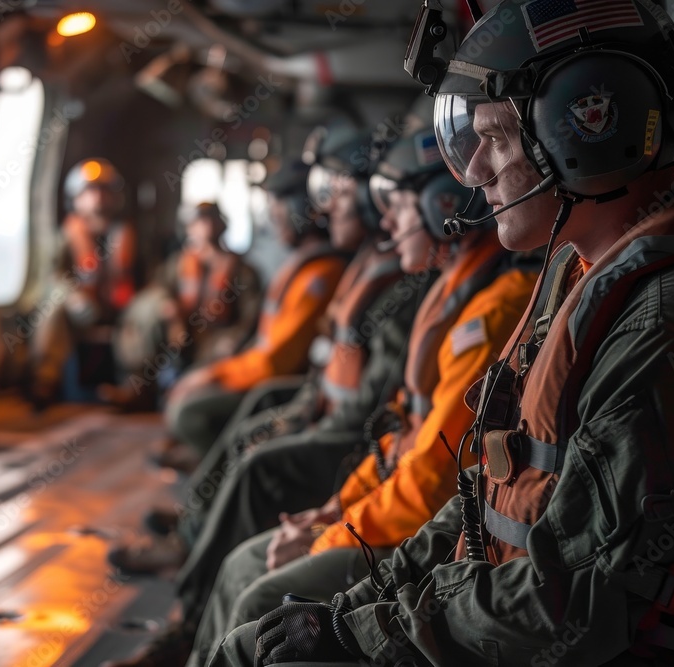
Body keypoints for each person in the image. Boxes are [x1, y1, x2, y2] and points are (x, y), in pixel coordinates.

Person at [212, 1, 674, 665]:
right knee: (260, 639)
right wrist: (355, 606)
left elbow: (565, 597)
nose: (477, 171)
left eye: (498, 139)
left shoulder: (670, 321)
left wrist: (362, 632)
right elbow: (485, 493)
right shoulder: (576, 276)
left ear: (586, 128)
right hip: (509, 617)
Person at [188, 123, 538, 667]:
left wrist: (330, 533)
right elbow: (399, 432)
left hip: (416, 531)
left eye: (394, 205)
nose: (387, 221)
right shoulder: (451, 290)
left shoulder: (490, 310)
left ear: (441, 204)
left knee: (258, 595)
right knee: (241, 565)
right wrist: (331, 511)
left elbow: (430, 479)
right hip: (384, 503)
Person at [106, 125, 418, 667]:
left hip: (349, 439)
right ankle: (191, 552)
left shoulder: (388, 283)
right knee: (259, 424)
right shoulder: (367, 270)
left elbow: (368, 411)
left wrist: (330, 502)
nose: (328, 209)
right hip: (336, 420)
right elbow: (328, 374)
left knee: (260, 465)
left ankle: (189, 598)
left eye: (340, 194)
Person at [163, 159, 350, 457]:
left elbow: (275, 362)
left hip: (279, 384)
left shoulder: (320, 275)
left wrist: (215, 375)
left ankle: (215, 478)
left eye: (278, 211)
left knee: (189, 414)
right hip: (256, 370)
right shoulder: (300, 268)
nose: (275, 222)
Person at [111, 202, 262, 406]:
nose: (204, 227)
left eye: (210, 220)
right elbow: (157, 291)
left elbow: (249, 319)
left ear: (221, 225)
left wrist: (231, 340)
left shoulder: (242, 271)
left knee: (202, 380)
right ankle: (139, 388)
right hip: (181, 336)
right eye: (198, 222)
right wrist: (171, 313)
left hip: (215, 340)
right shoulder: (178, 265)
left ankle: (190, 398)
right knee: (147, 316)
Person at [30, 158, 140, 405]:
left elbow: (148, 276)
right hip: (83, 310)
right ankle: (44, 383)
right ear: (76, 198)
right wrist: (72, 296)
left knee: (145, 315)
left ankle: (134, 388)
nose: (98, 197)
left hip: (123, 308)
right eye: (90, 191)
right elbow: (51, 276)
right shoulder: (69, 235)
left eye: (103, 190)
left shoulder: (127, 233)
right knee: (53, 308)